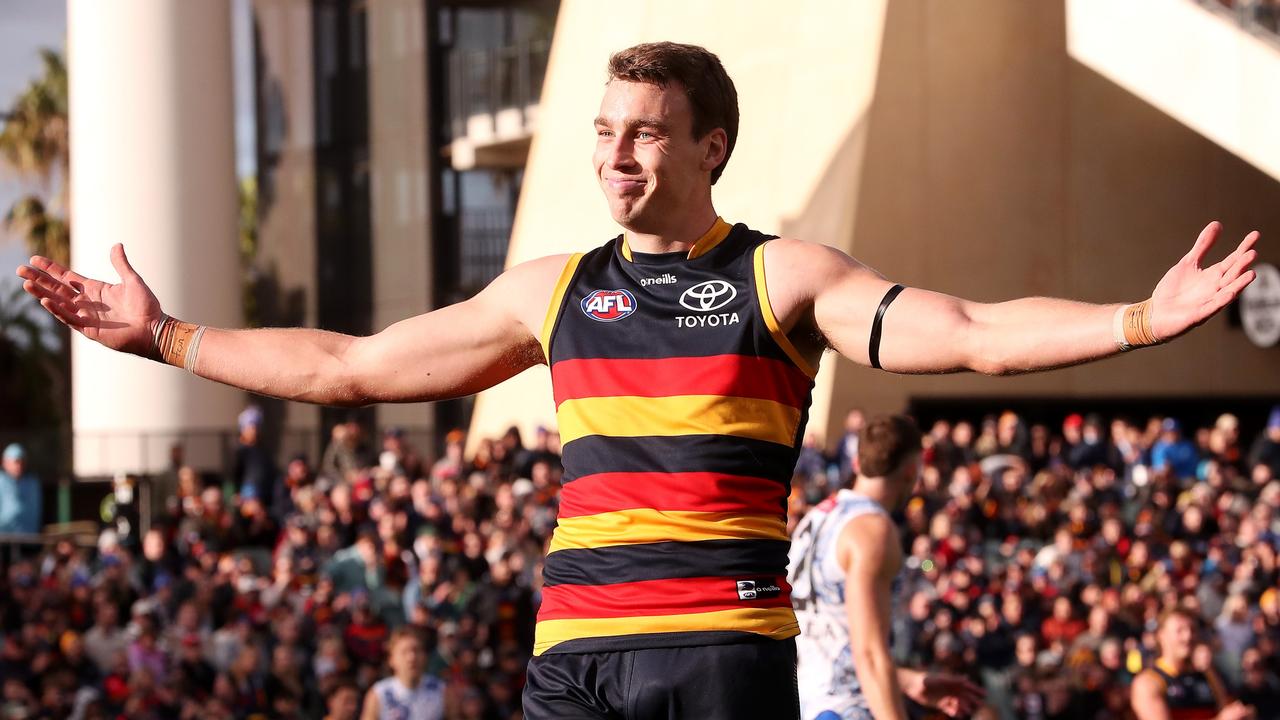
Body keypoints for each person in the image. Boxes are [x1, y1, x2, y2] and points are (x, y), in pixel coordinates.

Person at [15, 41, 1260, 719]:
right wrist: (167, 337)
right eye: (603, 129)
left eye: (645, 129)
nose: (613, 152)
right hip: (573, 654)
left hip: (717, 650)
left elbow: (975, 331)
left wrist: (1142, 318)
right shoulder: (549, 290)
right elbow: (350, 367)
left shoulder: (784, 276)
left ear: (708, 144)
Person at [788, 415, 983, 719]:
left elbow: (832, 635)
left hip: (806, 702)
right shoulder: (873, 529)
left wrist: (904, 680)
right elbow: (869, 655)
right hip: (847, 707)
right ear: (911, 470)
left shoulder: (816, 519)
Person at [1130, 608, 1253, 720]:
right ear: (1161, 635)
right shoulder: (1149, 682)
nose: (1188, 636)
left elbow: (1225, 709)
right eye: (1179, 630)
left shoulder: (1206, 674)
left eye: (1192, 630)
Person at [360, 627, 444, 720]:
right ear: (391, 659)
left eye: (417, 650)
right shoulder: (378, 695)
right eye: (404, 652)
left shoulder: (442, 691)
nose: (412, 658)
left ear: (425, 656)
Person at [0, 443, 42, 534]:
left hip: (28, 539)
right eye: (16, 462)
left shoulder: (32, 483)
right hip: (4, 539)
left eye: (22, 462)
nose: (19, 466)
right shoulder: (1, 481)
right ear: (5, 462)